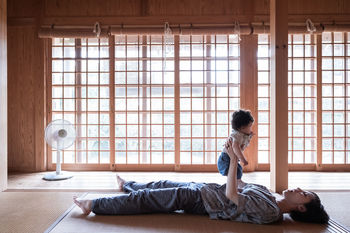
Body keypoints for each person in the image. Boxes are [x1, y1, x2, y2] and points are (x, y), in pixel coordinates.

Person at [73, 139, 329, 224]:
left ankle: (94, 204)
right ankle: (128, 185)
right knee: (160, 184)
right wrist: (234, 156)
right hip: (206, 190)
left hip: (202, 201)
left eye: (304, 194)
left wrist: (231, 163)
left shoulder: (271, 212)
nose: (298, 189)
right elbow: (237, 185)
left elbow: (232, 198)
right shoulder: (271, 196)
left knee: (148, 200)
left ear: (301, 208)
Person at [217, 109, 254, 188]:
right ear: (242, 127)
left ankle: (237, 182)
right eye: (250, 126)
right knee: (234, 171)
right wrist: (243, 159)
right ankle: (235, 183)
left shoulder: (242, 134)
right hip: (226, 158)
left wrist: (250, 135)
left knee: (238, 169)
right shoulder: (236, 135)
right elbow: (235, 147)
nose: (251, 129)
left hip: (230, 157)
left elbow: (244, 141)